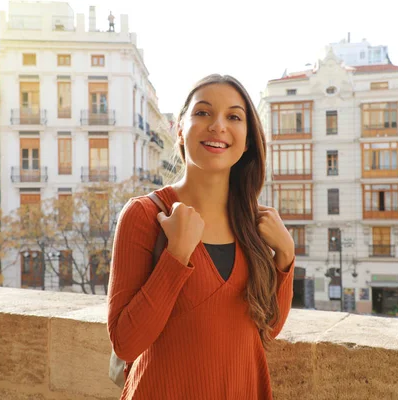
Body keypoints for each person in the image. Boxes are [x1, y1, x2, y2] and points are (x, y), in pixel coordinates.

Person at [107, 75, 295, 399]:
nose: (218, 126)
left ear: (248, 139)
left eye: (234, 116)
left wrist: (286, 257)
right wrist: (176, 257)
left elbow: (268, 329)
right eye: (203, 113)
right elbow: (126, 343)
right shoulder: (143, 215)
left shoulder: (254, 224)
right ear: (179, 128)